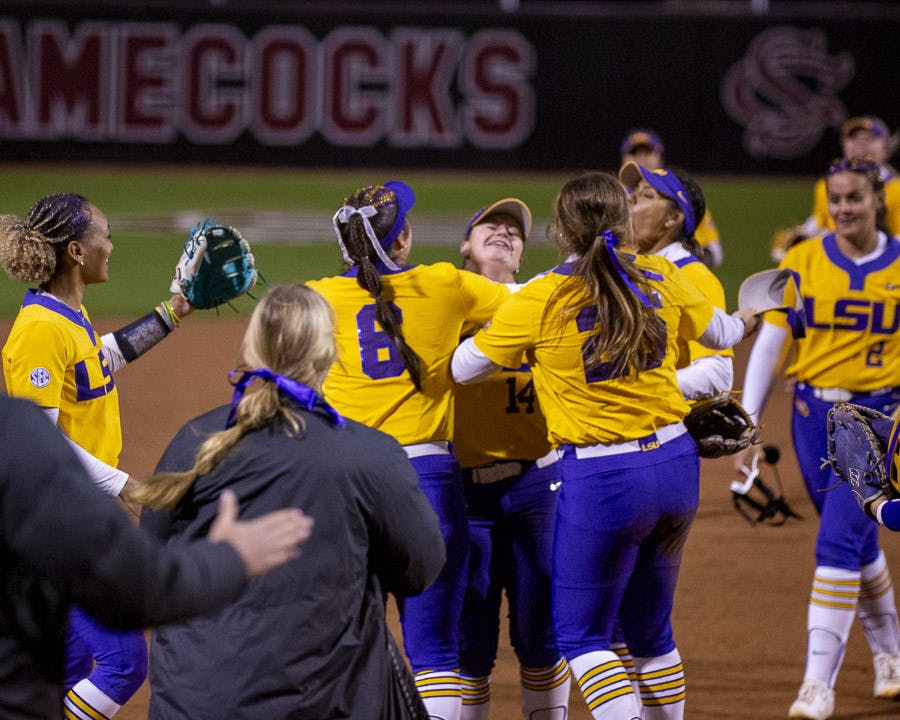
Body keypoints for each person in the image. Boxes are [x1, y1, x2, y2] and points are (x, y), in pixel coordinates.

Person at [452, 171, 759, 719]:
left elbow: (464, 366)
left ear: (560, 231)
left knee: (581, 639)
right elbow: (724, 336)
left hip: (606, 480)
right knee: (651, 633)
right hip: (675, 466)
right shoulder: (662, 273)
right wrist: (750, 317)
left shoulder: (545, 294)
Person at [130, 283, 445, 718]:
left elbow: (153, 563)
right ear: (329, 355)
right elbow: (420, 569)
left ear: (252, 349)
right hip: (324, 703)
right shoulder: (370, 455)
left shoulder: (197, 442)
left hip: (192, 703)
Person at [306, 181, 510, 720]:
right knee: (437, 651)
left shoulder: (316, 297)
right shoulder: (446, 284)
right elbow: (532, 302)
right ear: (400, 243)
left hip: (346, 484)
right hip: (429, 484)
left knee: (341, 645)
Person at [0, 193, 199, 718]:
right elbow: (40, 448)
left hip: (67, 518)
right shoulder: (39, 332)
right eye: (103, 235)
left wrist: (173, 311)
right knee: (121, 660)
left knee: (62, 671)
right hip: (47, 530)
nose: (111, 244)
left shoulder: (68, 314)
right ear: (75, 252)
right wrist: (124, 485)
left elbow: (100, 361)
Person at [0, 393, 312, 719]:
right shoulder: (13, 430)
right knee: (121, 664)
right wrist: (232, 556)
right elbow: (137, 588)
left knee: (75, 663)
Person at [734, 156, 900, 720]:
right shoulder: (804, 259)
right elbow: (773, 344)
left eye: (855, 198)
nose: (844, 209)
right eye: (836, 199)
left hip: (878, 420)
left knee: (836, 542)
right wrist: (748, 413)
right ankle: (891, 656)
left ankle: (815, 685)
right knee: (859, 539)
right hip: (811, 418)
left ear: (877, 199)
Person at [454, 199, 570, 719]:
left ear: (522, 254)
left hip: (536, 487)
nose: (504, 233)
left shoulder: (546, 300)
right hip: (462, 493)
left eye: (514, 232)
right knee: (468, 639)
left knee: (541, 633)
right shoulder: (442, 303)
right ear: (465, 246)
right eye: (490, 226)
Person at [619, 161, 734, 399]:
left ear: (672, 218)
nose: (631, 201)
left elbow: (718, 372)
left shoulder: (693, 276)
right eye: (634, 194)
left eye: (646, 196)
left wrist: (642, 391)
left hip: (670, 425)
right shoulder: (625, 266)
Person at [620, 128, 724, 268]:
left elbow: (715, 254)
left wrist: (678, 262)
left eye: (647, 152)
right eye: (634, 153)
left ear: (674, 217)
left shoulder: (684, 202)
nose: (641, 158)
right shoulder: (610, 202)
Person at [802, 116, 900, 240]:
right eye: (853, 138)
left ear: (886, 147)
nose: (861, 144)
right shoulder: (824, 186)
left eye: (870, 138)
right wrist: (803, 236)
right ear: (844, 146)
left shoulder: (897, 190)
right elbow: (819, 222)